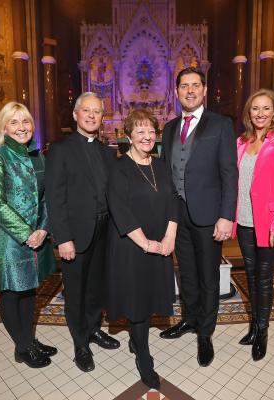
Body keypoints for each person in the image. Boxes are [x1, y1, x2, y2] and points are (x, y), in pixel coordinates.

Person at [159, 67, 238, 367]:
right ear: (176, 91)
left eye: (195, 85)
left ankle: (205, 333)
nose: (189, 90)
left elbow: (229, 173)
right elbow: (167, 174)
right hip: (178, 215)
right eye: (183, 86)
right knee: (187, 273)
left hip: (208, 214)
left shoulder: (220, 124)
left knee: (208, 276)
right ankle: (189, 319)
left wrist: (226, 216)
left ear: (204, 90)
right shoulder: (168, 129)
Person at [45, 92, 120, 373]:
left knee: (96, 288)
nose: (91, 116)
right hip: (75, 235)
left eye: (97, 112)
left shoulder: (107, 152)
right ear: (75, 114)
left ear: (102, 117)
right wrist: (62, 238)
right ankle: (80, 344)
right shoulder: (60, 150)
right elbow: (54, 197)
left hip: (103, 232)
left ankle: (93, 329)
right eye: (86, 111)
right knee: (75, 292)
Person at [106, 109, 178, 390]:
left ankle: (137, 341)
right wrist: (146, 243)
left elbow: (173, 199)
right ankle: (143, 356)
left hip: (161, 243)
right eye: (140, 132)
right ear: (128, 137)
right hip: (132, 245)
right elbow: (119, 210)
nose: (147, 136)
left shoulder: (160, 165)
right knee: (136, 302)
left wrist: (170, 236)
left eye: (150, 131)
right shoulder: (119, 168)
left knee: (150, 296)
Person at [0, 102, 57, 368]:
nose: (21, 127)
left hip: (38, 235)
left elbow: (49, 197)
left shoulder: (39, 156)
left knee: (29, 291)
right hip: (11, 239)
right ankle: (23, 347)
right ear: (3, 127)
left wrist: (44, 228)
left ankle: (29, 340)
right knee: (12, 293)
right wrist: (27, 233)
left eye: (25, 121)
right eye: (14, 122)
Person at [234, 89, 274, 361]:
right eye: (255, 108)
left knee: (264, 277)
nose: (260, 113)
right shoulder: (241, 142)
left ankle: (262, 332)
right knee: (249, 276)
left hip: (271, 223)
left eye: (265, 108)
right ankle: (253, 326)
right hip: (245, 221)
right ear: (248, 113)